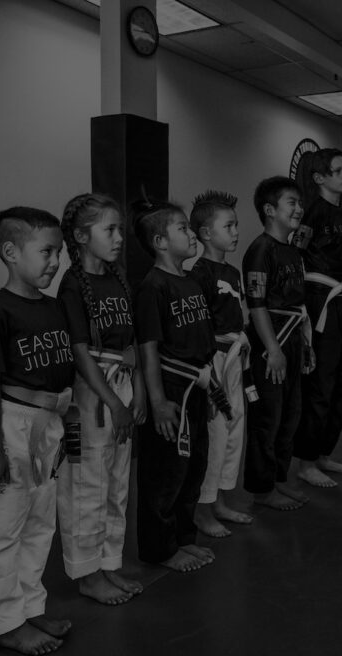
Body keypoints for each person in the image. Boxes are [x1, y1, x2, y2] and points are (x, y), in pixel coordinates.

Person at [0, 206, 75, 655]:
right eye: (46, 252)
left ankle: (30, 607)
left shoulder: (52, 308)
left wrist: (65, 422)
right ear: (11, 252)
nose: (55, 262)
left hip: (47, 427)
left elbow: (60, 372)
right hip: (9, 428)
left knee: (38, 523)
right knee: (1, 530)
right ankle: (5, 622)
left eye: (59, 253)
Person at [56, 193, 146, 605]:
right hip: (93, 394)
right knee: (87, 486)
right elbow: (79, 352)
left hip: (124, 385)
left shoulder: (117, 279)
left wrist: (138, 392)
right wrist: (114, 402)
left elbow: (131, 345)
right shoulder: (74, 283)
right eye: (109, 230)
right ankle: (87, 573)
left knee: (117, 483)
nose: (118, 238)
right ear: (79, 236)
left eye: (119, 230)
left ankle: (110, 563)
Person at [132, 198, 219, 572]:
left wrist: (212, 388)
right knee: (164, 474)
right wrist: (158, 402)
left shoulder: (191, 282)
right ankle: (160, 549)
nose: (190, 233)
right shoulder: (153, 286)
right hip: (170, 393)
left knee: (193, 468)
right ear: (160, 241)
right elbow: (147, 348)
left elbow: (203, 344)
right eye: (182, 228)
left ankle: (184, 538)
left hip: (196, 391)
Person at [243, 176, 315, 510]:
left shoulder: (292, 250)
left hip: (292, 341)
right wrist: (272, 349)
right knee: (267, 419)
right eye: (291, 202)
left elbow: (296, 303)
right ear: (270, 210)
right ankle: (261, 488)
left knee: (290, 415)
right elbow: (256, 304)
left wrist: (303, 345)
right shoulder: (260, 250)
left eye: (300, 203)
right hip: (269, 343)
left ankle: (278, 479)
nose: (299, 209)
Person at [187, 190, 256, 537]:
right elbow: (200, 329)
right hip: (212, 361)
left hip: (234, 357)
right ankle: (202, 508)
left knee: (235, 428)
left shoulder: (232, 271)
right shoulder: (198, 274)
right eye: (228, 225)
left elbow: (236, 316)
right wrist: (210, 375)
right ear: (205, 234)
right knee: (215, 434)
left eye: (236, 225)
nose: (235, 231)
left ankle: (220, 500)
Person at [291, 149, 342, 488]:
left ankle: (323, 454)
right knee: (321, 383)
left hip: (341, 299)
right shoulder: (311, 215)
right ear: (319, 178)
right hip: (319, 301)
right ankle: (305, 462)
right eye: (338, 170)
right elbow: (296, 257)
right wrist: (300, 307)